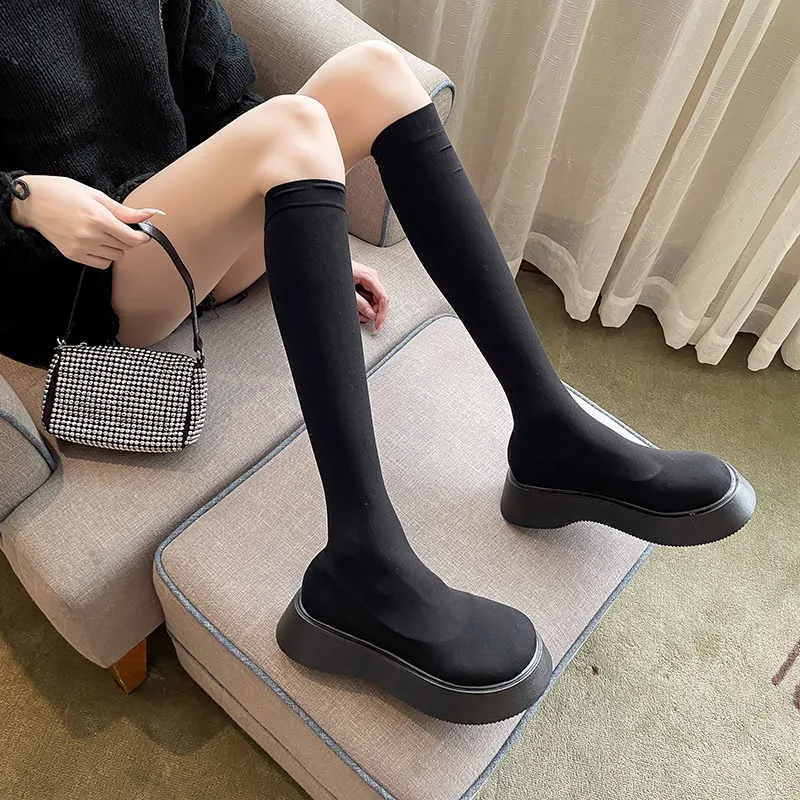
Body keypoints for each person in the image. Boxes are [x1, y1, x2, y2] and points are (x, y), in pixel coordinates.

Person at [0, 1, 755, 724]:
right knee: (291, 126)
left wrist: (307, 231)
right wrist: (21, 200)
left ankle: (550, 433)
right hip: (71, 276)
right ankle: (360, 565)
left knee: (375, 74)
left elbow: (222, 96)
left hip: (182, 226)